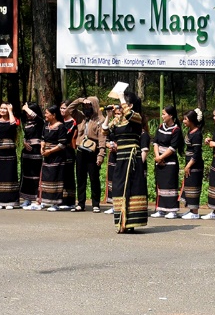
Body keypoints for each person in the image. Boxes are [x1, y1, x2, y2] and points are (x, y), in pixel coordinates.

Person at [107, 92, 150, 232]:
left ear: (130, 105)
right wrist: (108, 116)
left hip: (132, 157)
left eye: (123, 102)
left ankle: (131, 222)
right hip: (121, 158)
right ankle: (121, 221)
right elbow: (105, 132)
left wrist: (121, 97)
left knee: (131, 187)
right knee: (119, 187)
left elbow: (129, 114)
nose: (120, 105)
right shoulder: (119, 121)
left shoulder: (136, 117)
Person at [69, 97, 105, 213]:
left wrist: (101, 155)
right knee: (80, 177)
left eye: (89, 105)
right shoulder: (80, 116)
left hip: (93, 151)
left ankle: (96, 204)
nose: (86, 108)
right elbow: (69, 110)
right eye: (85, 106)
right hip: (80, 150)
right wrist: (80, 100)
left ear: (94, 106)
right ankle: (80, 203)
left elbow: (102, 139)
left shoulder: (100, 119)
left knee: (94, 178)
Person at [152, 105, 183, 218]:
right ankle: (160, 209)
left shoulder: (176, 130)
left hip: (169, 162)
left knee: (170, 185)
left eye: (164, 114)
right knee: (160, 185)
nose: (162, 116)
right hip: (159, 160)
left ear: (171, 116)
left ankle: (172, 210)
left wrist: (161, 157)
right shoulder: (161, 127)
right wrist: (157, 156)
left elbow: (173, 147)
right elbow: (155, 142)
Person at [0, 102, 21, 209]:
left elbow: (13, 125)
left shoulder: (13, 120)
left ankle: (11, 201)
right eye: (1, 108)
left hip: (10, 152)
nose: (3, 110)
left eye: (5, 108)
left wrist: (11, 111)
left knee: (10, 175)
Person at [39, 104, 69, 210]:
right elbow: (43, 138)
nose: (45, 115)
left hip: (57, 156)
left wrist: (50, 151)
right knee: (47, 178)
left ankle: (56, 203)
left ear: (54, 115)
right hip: (46, 155)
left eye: (47, 113)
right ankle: (46, 200)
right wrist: (42, 146)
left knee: (55, 178)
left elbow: (62, 144)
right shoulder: (46, 125)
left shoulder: (61, 127)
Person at [181, 108, 205, 219]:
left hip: (195, 164)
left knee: (194, 186)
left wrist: (189, 165)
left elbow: (196, 153)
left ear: (191, 120)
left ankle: (195, 211)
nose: (183, 121)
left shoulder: (197, 134)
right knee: (189, 186)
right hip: (189, 162)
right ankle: (191, 209)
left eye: (185, 119)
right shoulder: (190, 132)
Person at [19, 103, 44, 210]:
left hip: (36, 152)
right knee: (26, 175)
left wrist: (26, 108)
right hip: (27, 153)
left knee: (36, 175)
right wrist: (24, 142)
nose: (28, 114)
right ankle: (27, 198)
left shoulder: (40, 122)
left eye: (29, 112)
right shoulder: (26, 123)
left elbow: (35, 116)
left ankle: (37, 197)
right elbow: (25, 136)